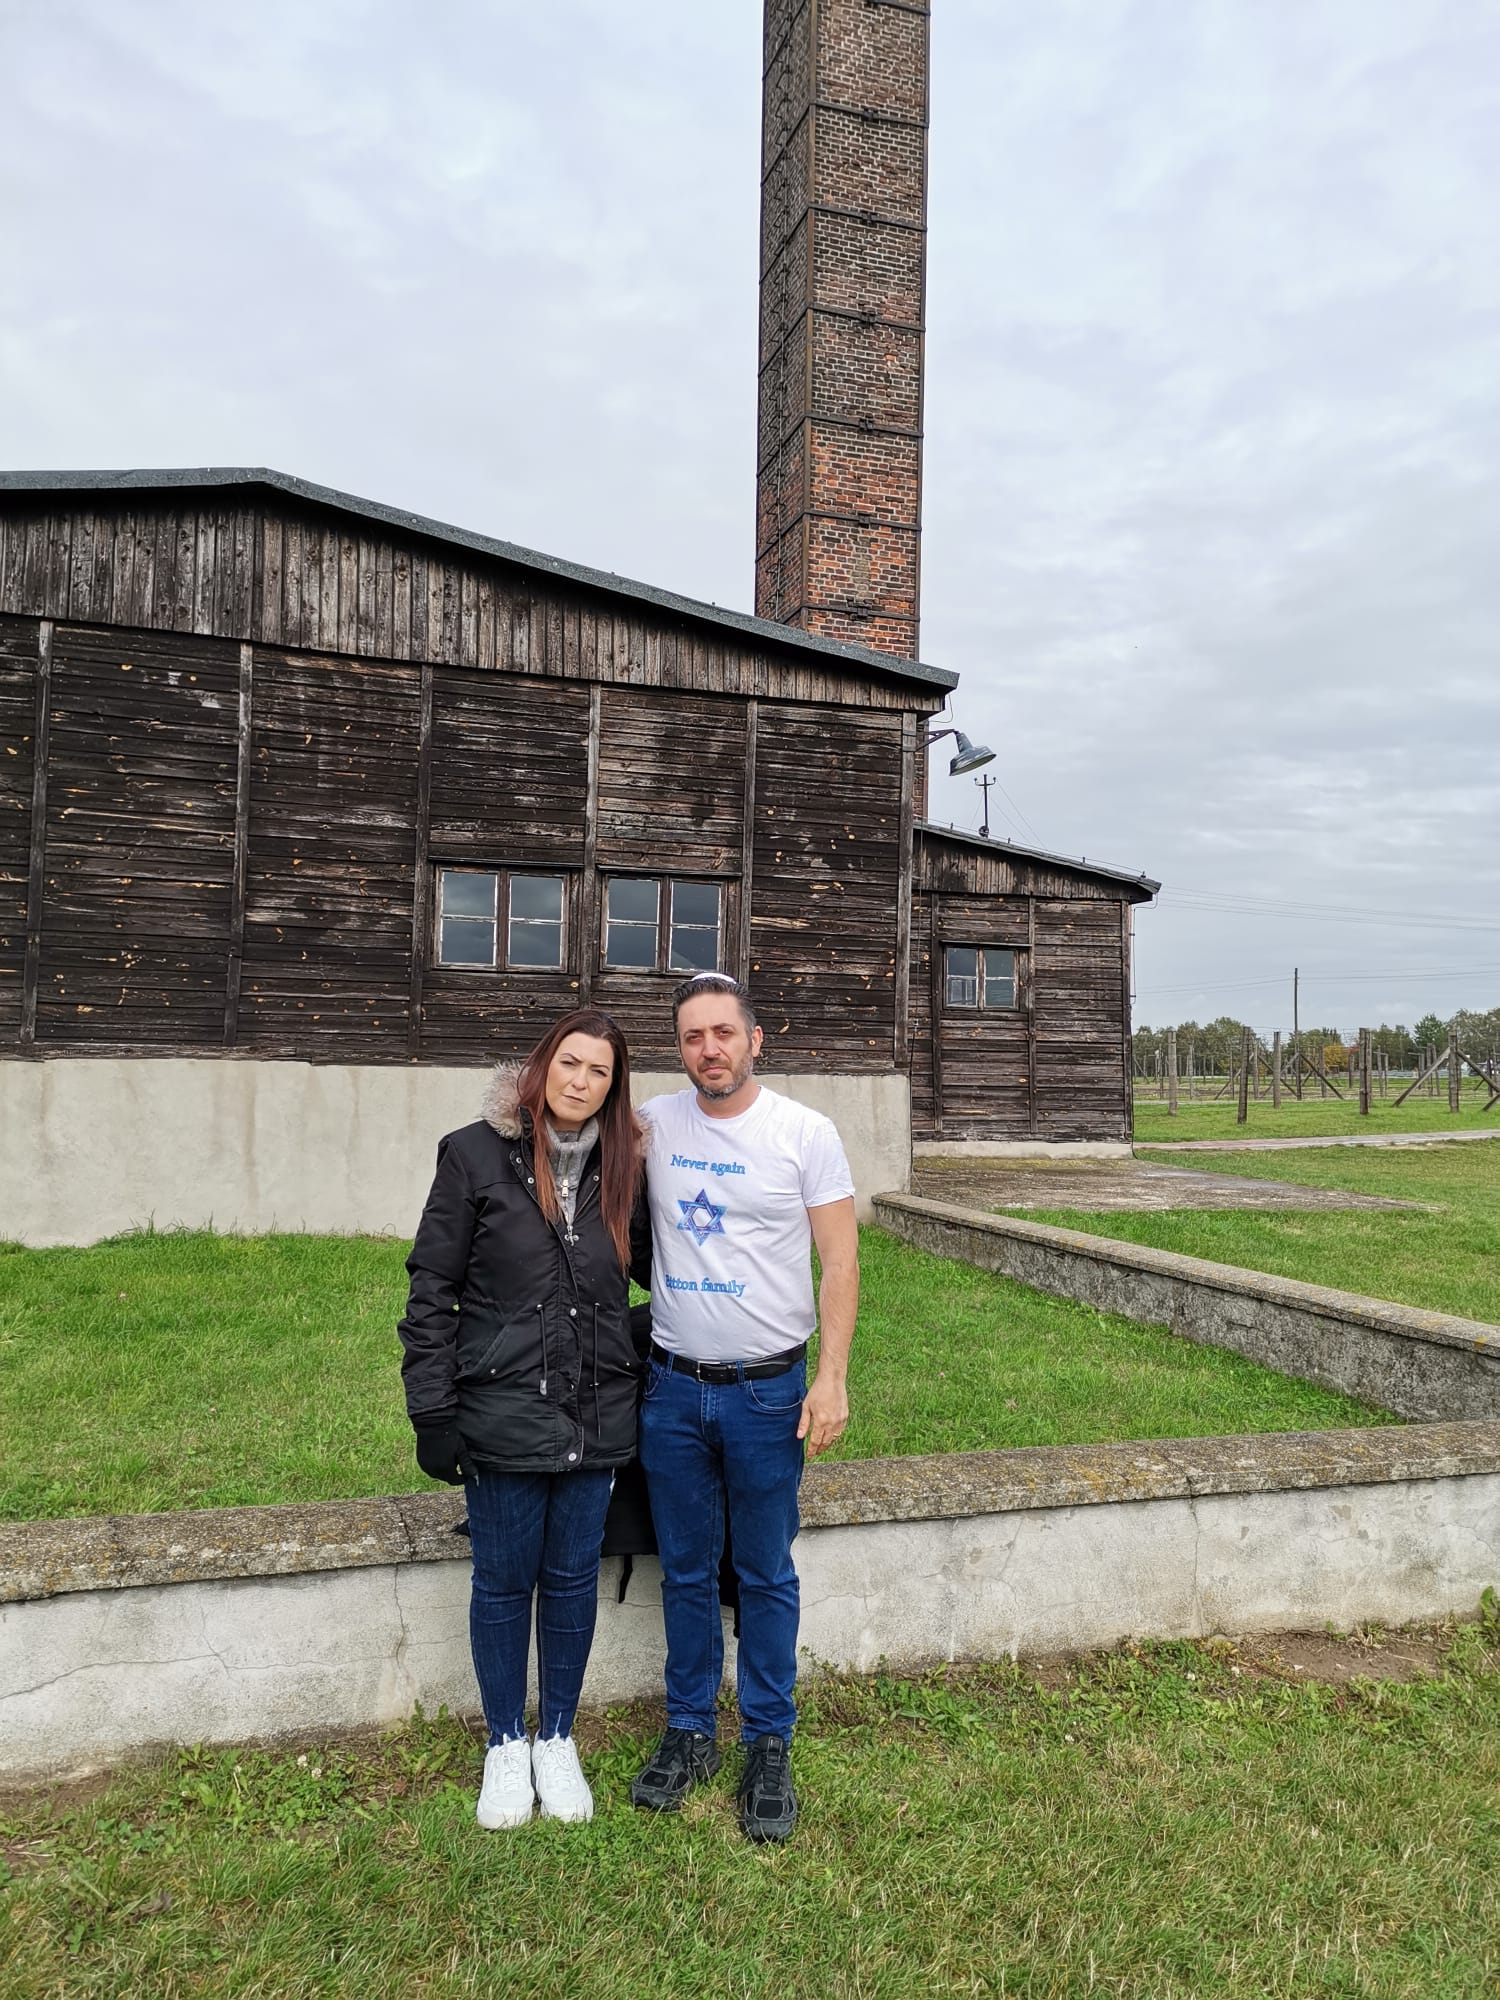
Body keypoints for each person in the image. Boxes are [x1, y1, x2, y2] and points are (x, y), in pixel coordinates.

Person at [398, 1008, 649, 1830]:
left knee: (573, 1579)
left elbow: (657, 1269)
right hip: (500, 1409)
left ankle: (558, 1738)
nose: (580, 1081)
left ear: (614, 1089)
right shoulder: (473, 1154)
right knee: (504, 1583)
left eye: (599, 1072)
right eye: (569, 1063)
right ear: (542, 1068)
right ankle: (506, 1743)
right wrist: (432, 1409)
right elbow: (431, 1289)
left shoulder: (625, 1167)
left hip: (597, 1411)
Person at [630, 971, 859, 1842]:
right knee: (684, 1570)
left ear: (755, 1039)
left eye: (724, 1033)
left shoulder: (804, 1133)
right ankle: (690, 1729)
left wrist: (831, 1377)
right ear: (679, 1047)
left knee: (765, 1571)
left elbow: (840, 1261)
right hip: (671, 1388)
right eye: (693, 1036)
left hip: (769, 1393)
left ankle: (769, 1740)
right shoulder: (651, 1122)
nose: (709, 1050)